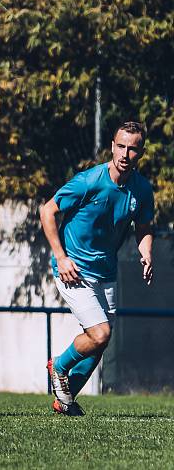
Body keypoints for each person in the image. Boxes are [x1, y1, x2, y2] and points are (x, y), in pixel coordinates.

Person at [41, 121, 154, 416]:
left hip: (107, 273)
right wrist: (61, 257)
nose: (125, 153)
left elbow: (143, 227)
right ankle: (59, 366)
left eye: (133, 148)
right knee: (100, 334)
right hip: (73, 270)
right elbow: (47, 211)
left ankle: (64, 400)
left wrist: (147, 254)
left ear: (141, 152)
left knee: (99, 343)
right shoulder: (89, 181)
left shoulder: (141, 189)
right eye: (121, 146)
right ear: (112, 146)